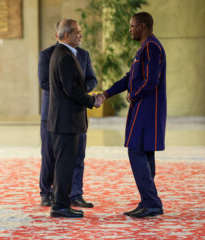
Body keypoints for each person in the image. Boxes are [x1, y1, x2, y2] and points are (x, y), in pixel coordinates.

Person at [100, 12, 166, 218]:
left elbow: (151, 79)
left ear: (143, 26)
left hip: (147, 107)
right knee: (144, 153)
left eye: (132, 26)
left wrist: (134, 95)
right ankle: (148, 201)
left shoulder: (152, 47)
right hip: (142, 106)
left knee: (136, 151)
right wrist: (107, 93)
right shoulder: (144, 48)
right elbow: (130, 78)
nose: (130, 29)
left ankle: (152, 202)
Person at [38, 21, 97, 208]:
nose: (80, 35)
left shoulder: (83, 55)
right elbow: (46, 82)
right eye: (77, 32)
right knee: (50, 155)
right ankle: (47, 192)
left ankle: (75, 193)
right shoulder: (49, 55)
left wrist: (80, 89)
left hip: (76, 113)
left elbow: (91, 79)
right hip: (53, 113)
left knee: (77, 155)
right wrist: (74, 92)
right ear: (62, 35)